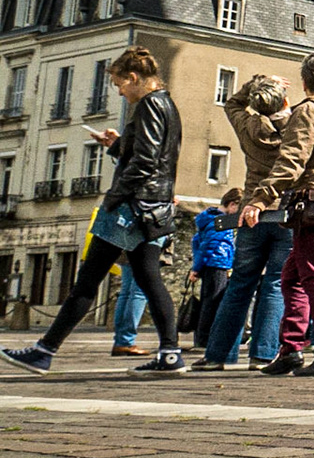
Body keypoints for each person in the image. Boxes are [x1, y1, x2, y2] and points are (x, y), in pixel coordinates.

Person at [2, 45, 187, 376]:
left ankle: (44, 351)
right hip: (153, 206)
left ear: (134, 78)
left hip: (131, 208)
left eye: (119, 84)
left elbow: (145, 162)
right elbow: (153, 156)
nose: (118, 91)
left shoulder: (148, 106)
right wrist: (117, 145)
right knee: (149, 279)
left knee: (88, 280)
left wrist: (114, 197)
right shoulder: (166, 105)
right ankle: (170, 353)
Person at [242, 51, 314, 378]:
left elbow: (292, 161)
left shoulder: (308, 111)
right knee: (293, 274)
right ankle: (291, 349)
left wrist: (260, 198)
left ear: (305, 84)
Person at [198, 73, 293, 370]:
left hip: (252, 210)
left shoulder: (247, 125)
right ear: (285, 102)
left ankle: (218, 354)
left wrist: (257, 83)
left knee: (240, 283)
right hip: (284, 212)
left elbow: (232, 103)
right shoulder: (295, 128)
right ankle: (262, 354)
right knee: (275, 284)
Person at [188, 190, 242, 349]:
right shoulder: (221, 222)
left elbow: (197, 242)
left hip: (212, 264)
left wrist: (198, 266)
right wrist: (196, 268)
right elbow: (209, 246)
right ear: (232, 204)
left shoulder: (208, 219)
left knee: (209, 301)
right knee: (213, 302)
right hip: (218, 263)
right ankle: (205, 339)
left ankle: (202, 337)